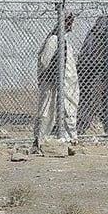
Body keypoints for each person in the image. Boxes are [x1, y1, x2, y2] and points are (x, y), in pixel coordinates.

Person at [33, 12, 79, 151]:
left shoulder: (63, 40)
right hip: (51, 82)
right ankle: (41, 139)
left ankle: (69, 138)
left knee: (68, 108)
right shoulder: (54, 39)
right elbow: (44, 61)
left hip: (66, 82)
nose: (70, 26)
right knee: (47, 110)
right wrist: (50, 76)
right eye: (68, 22)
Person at [77, 18, 108, 134]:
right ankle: (83, 124)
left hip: (93, 71)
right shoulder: (95, 36)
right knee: (88, 100)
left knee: (92, 101)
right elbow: (91, 55)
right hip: (90, 71)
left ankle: (88, 123)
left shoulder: (97, 36)